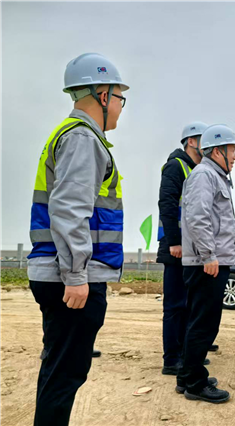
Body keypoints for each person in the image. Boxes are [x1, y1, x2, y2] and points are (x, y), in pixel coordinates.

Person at [27, 53, 128, 426]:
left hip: (58, 271)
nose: (120, 107)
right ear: (103, 95)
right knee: (64, 375)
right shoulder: (83, 138)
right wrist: (76, 275)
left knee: (58, 369)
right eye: (119, 98)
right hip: (68, 278)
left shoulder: (70, 135)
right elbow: (70, 210)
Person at [176, 124, 235, 404]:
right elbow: (197, 217)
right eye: (231, 150)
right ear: (217, 151)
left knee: (199, 321)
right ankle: (195, 383)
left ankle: (186, 375)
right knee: (204, 323)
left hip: (211, 260)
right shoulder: (204, 175)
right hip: (207, 263)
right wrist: (208, 255)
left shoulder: (214, 175)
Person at [157, 121, 217, 376]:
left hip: (191, 249)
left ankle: (185, 353)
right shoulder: (176, 166)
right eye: (203, 139)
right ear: (191, 141)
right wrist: (174, 242)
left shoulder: (197, 169)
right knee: (175, 306)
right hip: (177, 248)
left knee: (189, 305)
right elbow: (167, 204)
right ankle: (172, 359)